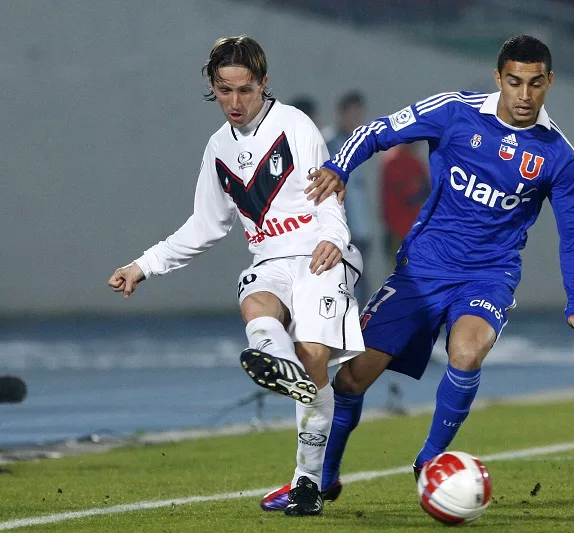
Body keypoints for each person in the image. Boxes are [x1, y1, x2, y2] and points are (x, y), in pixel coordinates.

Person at [262, 34, 574, 509]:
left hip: (490, 275)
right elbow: (377, 131)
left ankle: (429, 463)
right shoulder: (454, 111)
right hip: (422, 270)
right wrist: (340, 166)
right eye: (515, 82)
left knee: (466, 352)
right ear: (498, 78)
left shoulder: (557, 154)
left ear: (550, 82)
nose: (525, 95)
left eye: (535, 83)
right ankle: (323, 479)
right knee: (352, 380)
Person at [107, 35, 364, 516]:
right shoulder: (218, 148)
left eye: (245, 89)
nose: (234, 101)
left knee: (313, 359)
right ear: (213, 86)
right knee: (255, 302)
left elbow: (326, 189)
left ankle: (306, 481)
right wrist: (143, 265)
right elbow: (206, 225)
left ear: (264, 83)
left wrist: (334, 235)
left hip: (319, 255)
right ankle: (277, 359)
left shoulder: (295, 125)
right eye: (224, 90)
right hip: (270, 261)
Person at [322, 91, 374, 304]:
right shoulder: (327, 142)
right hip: (339, 226)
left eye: (359, 115)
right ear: (340, 114)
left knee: (360, 280)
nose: (355, 119)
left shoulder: (360, 142)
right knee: (339, 281)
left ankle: (360, 321)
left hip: (361, 229)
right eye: (352, 114)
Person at [380, 142, 430, 260]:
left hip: (405, 228)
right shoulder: (399, 162)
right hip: (401, 229)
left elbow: (425, 189)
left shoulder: (409, 161)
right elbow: (416, 195)